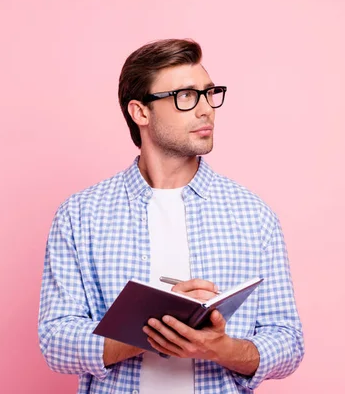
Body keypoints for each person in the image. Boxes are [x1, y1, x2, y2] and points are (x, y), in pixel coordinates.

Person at [38, 38, 304, 394]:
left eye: (210, 94)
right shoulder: (81, 215)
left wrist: (221, 349)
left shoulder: (253, 216)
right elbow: (56, 341)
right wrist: (153, 330)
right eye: (185, 97)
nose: (206, 109)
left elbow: (288, 342)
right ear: (140, 112)